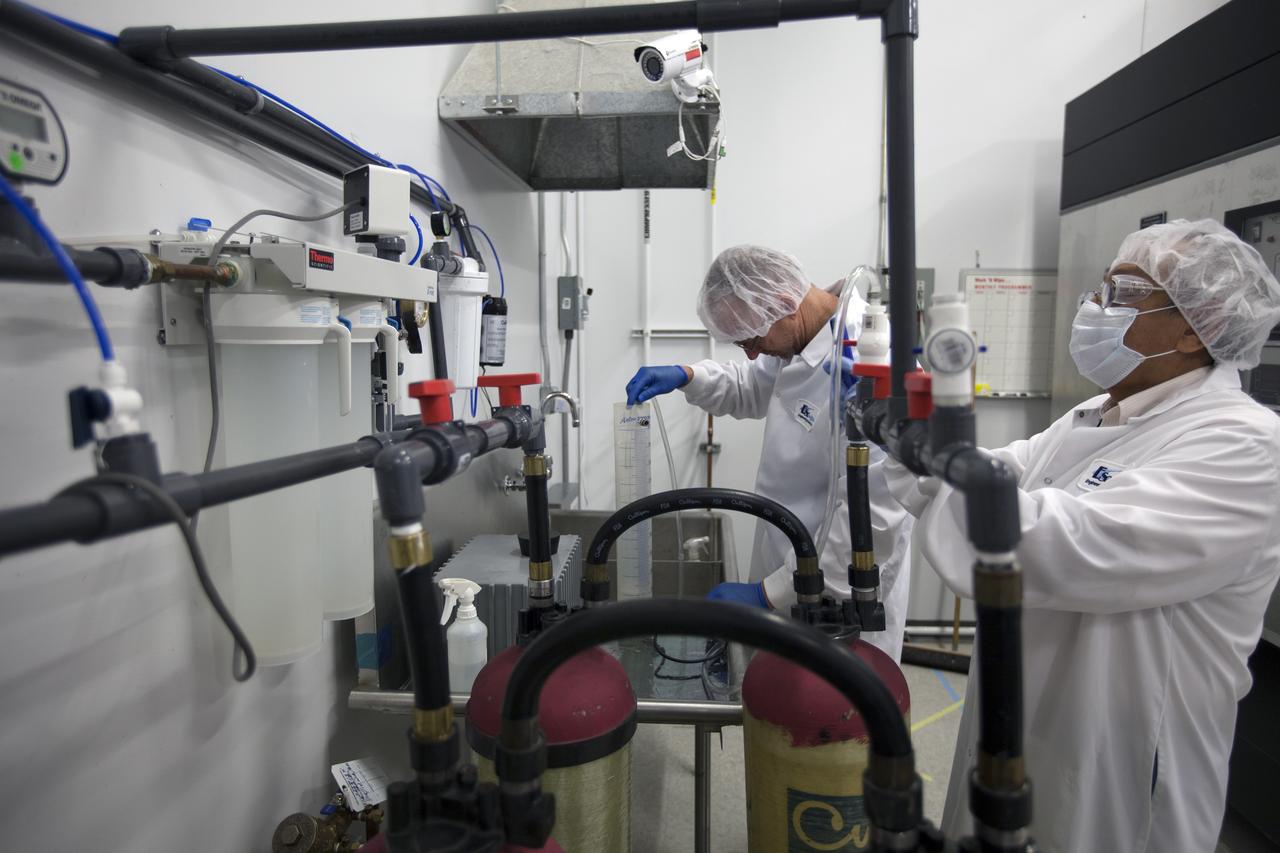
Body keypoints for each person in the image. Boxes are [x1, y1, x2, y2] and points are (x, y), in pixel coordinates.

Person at [882, 219, 1280, 852]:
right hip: (1027, 711)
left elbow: (1064, 543)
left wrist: (936, 463)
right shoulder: (1094, 413)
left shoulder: (1244, 444)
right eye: (1102, 286)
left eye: (1123, 291)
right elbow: (996, 473)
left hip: (1122, 758)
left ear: (1191, 326)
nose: (1094, 305)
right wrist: (910, 443)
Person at [625, 245, 913, 661]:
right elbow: (752, 386)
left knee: (838, 718)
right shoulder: (801, 337)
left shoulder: (867, 364)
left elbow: (875, 514)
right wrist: (688, 376)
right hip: (790, 571)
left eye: (753, 338)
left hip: (840, 598)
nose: (753, 352)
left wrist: (768, 593)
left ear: (782, 303)